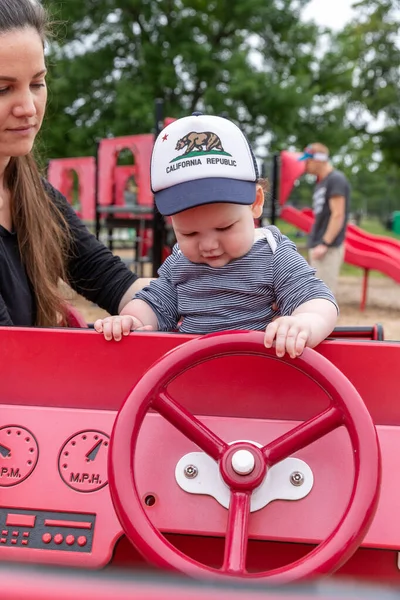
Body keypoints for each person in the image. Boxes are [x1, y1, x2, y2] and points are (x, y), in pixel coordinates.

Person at [95, 113, 338, 358]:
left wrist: (305, 322)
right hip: (187, 377)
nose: (208, 245)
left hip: (257, 373)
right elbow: (155, 304)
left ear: (255, 202)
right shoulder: (180, 262)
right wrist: (131, 319)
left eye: (224, 228)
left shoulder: (273, 255)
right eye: (189, 233)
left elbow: (317, 299)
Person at [0, 0, 150, 328]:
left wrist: (209, 299)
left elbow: (112, 280)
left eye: (37, 83)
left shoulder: (32, 193)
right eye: (3, 89)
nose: (28, 106)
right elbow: (11, 352)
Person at [298, 143, 350, 294]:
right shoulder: (321, 182)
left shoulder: (336, 179)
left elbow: (338, 214)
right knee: (314, 294)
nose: (305, 165)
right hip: (318, 244)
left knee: (322, 296)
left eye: (307, 161)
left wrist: (325, 243)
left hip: (328, 248)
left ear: (318, 160)